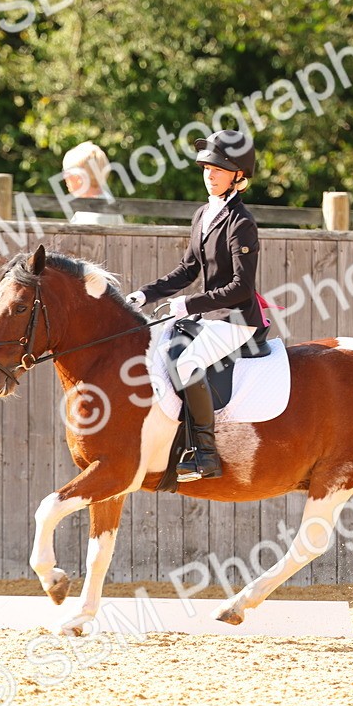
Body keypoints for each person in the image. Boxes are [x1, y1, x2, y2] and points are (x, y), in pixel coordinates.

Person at [126, 129, 266, 482]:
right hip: (208, 315)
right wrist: (146, 294)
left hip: (236, 319)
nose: (210, 174)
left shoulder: (242, 223)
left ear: (239, 176)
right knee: (157, 349)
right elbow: (188, 270)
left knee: (186, 363)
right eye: (206, 168)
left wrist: (188, 304)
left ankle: (205, 454)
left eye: (218, 169)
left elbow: (241, 289)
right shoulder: (203, 213)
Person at [62, 141, 126, 226]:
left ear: (79, 177)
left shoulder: (93, 213)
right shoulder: (105, 202)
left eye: (66, 172)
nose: (64, 177)